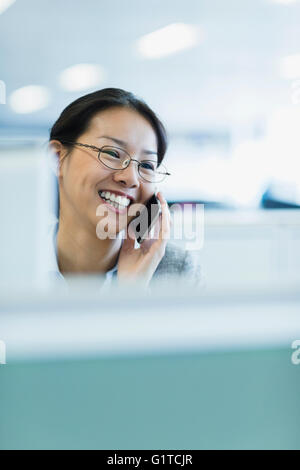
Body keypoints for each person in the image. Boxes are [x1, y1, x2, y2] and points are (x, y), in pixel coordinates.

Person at [48, 88, 201, 290]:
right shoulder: (10, 262)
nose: (131, 178)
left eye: (146, 166)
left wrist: (131, 293)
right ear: (58, 158)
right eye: (112, 153)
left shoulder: (176, 273)